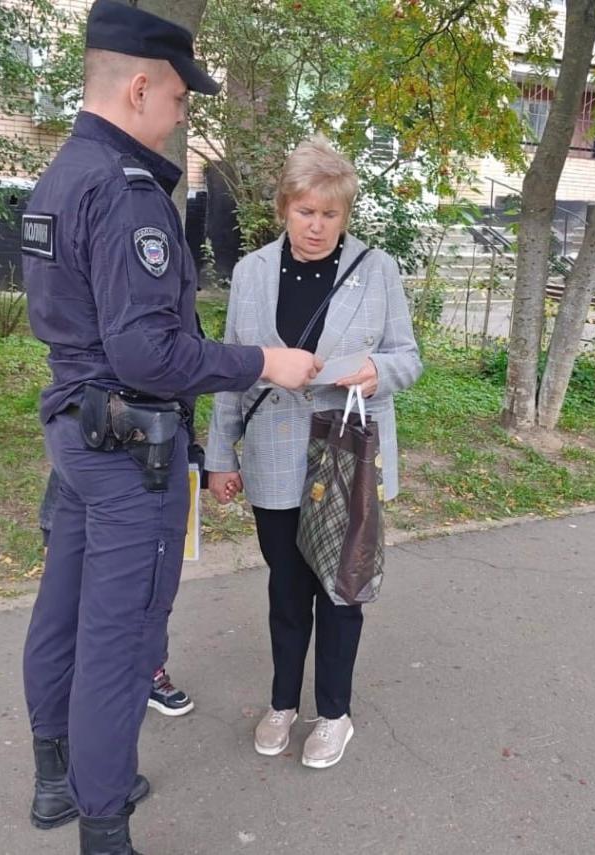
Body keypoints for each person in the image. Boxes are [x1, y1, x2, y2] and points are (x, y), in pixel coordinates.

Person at [19, 2, 322, 852]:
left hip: (76, 433)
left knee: (63, 612)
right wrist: (263, 361)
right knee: (118, 641)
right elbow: (151, 353)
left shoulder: (61, 175)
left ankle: (57, 782)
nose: (183, 114)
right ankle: (103, 822)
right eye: (182, 99)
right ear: (142, 85)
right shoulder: (128, 196)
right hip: (127, 451)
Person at [205, 136, 423, 771]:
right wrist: (222, 456)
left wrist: (373, 371)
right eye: (306, 212)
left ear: (345, 214)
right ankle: (281, 703)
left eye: (331, 213)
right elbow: (231, 375)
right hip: (273, 456)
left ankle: (334, 714)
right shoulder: (249, 274)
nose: (318, 226)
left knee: (341, 588)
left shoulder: (377, 269)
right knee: (286, 588)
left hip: (345, 455)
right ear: (283, 209)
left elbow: (408, 357)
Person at [38, 471, 194, 717]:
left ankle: (148, 671)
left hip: (148, 487)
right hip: (82, 495)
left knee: (148, 592)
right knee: (69, 605)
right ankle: (76, 688)